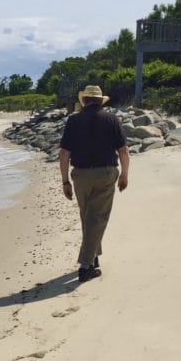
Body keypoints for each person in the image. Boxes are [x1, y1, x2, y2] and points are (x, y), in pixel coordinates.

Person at [59, 85, 130, 282]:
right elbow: (123, 150)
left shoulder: (74, 120)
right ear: (100, 101)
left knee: (88, 217)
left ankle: (93, 257)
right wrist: (125, 175)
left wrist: (65, 181)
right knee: (97, 218)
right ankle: (85, 266)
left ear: (84, 101)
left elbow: (64, 153)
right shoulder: (111, 119)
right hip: (105, 173)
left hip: (81, 175)